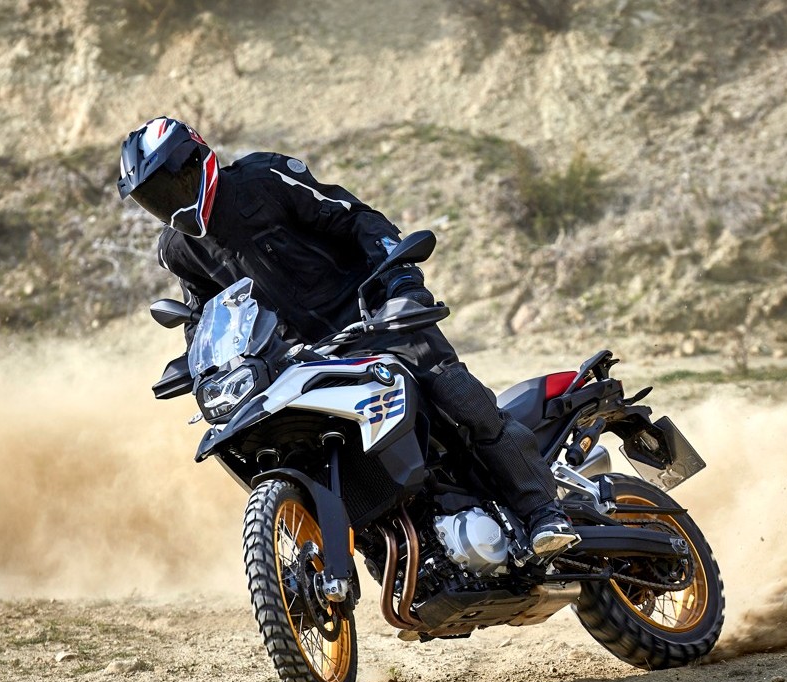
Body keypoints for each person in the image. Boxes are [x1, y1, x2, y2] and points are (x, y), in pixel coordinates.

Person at [117, 116, 575, 558]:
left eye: (169, 184)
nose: (167, 202)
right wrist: (199, 363)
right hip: (299, 357)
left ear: (196, 160)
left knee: (456, 395)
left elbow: (355, 218)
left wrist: (399, 281)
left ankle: (543, 511)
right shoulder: (179, 249)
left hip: (374, 317)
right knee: (309, 445)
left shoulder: (263, 178)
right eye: (152, 197)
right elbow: (203, 315)